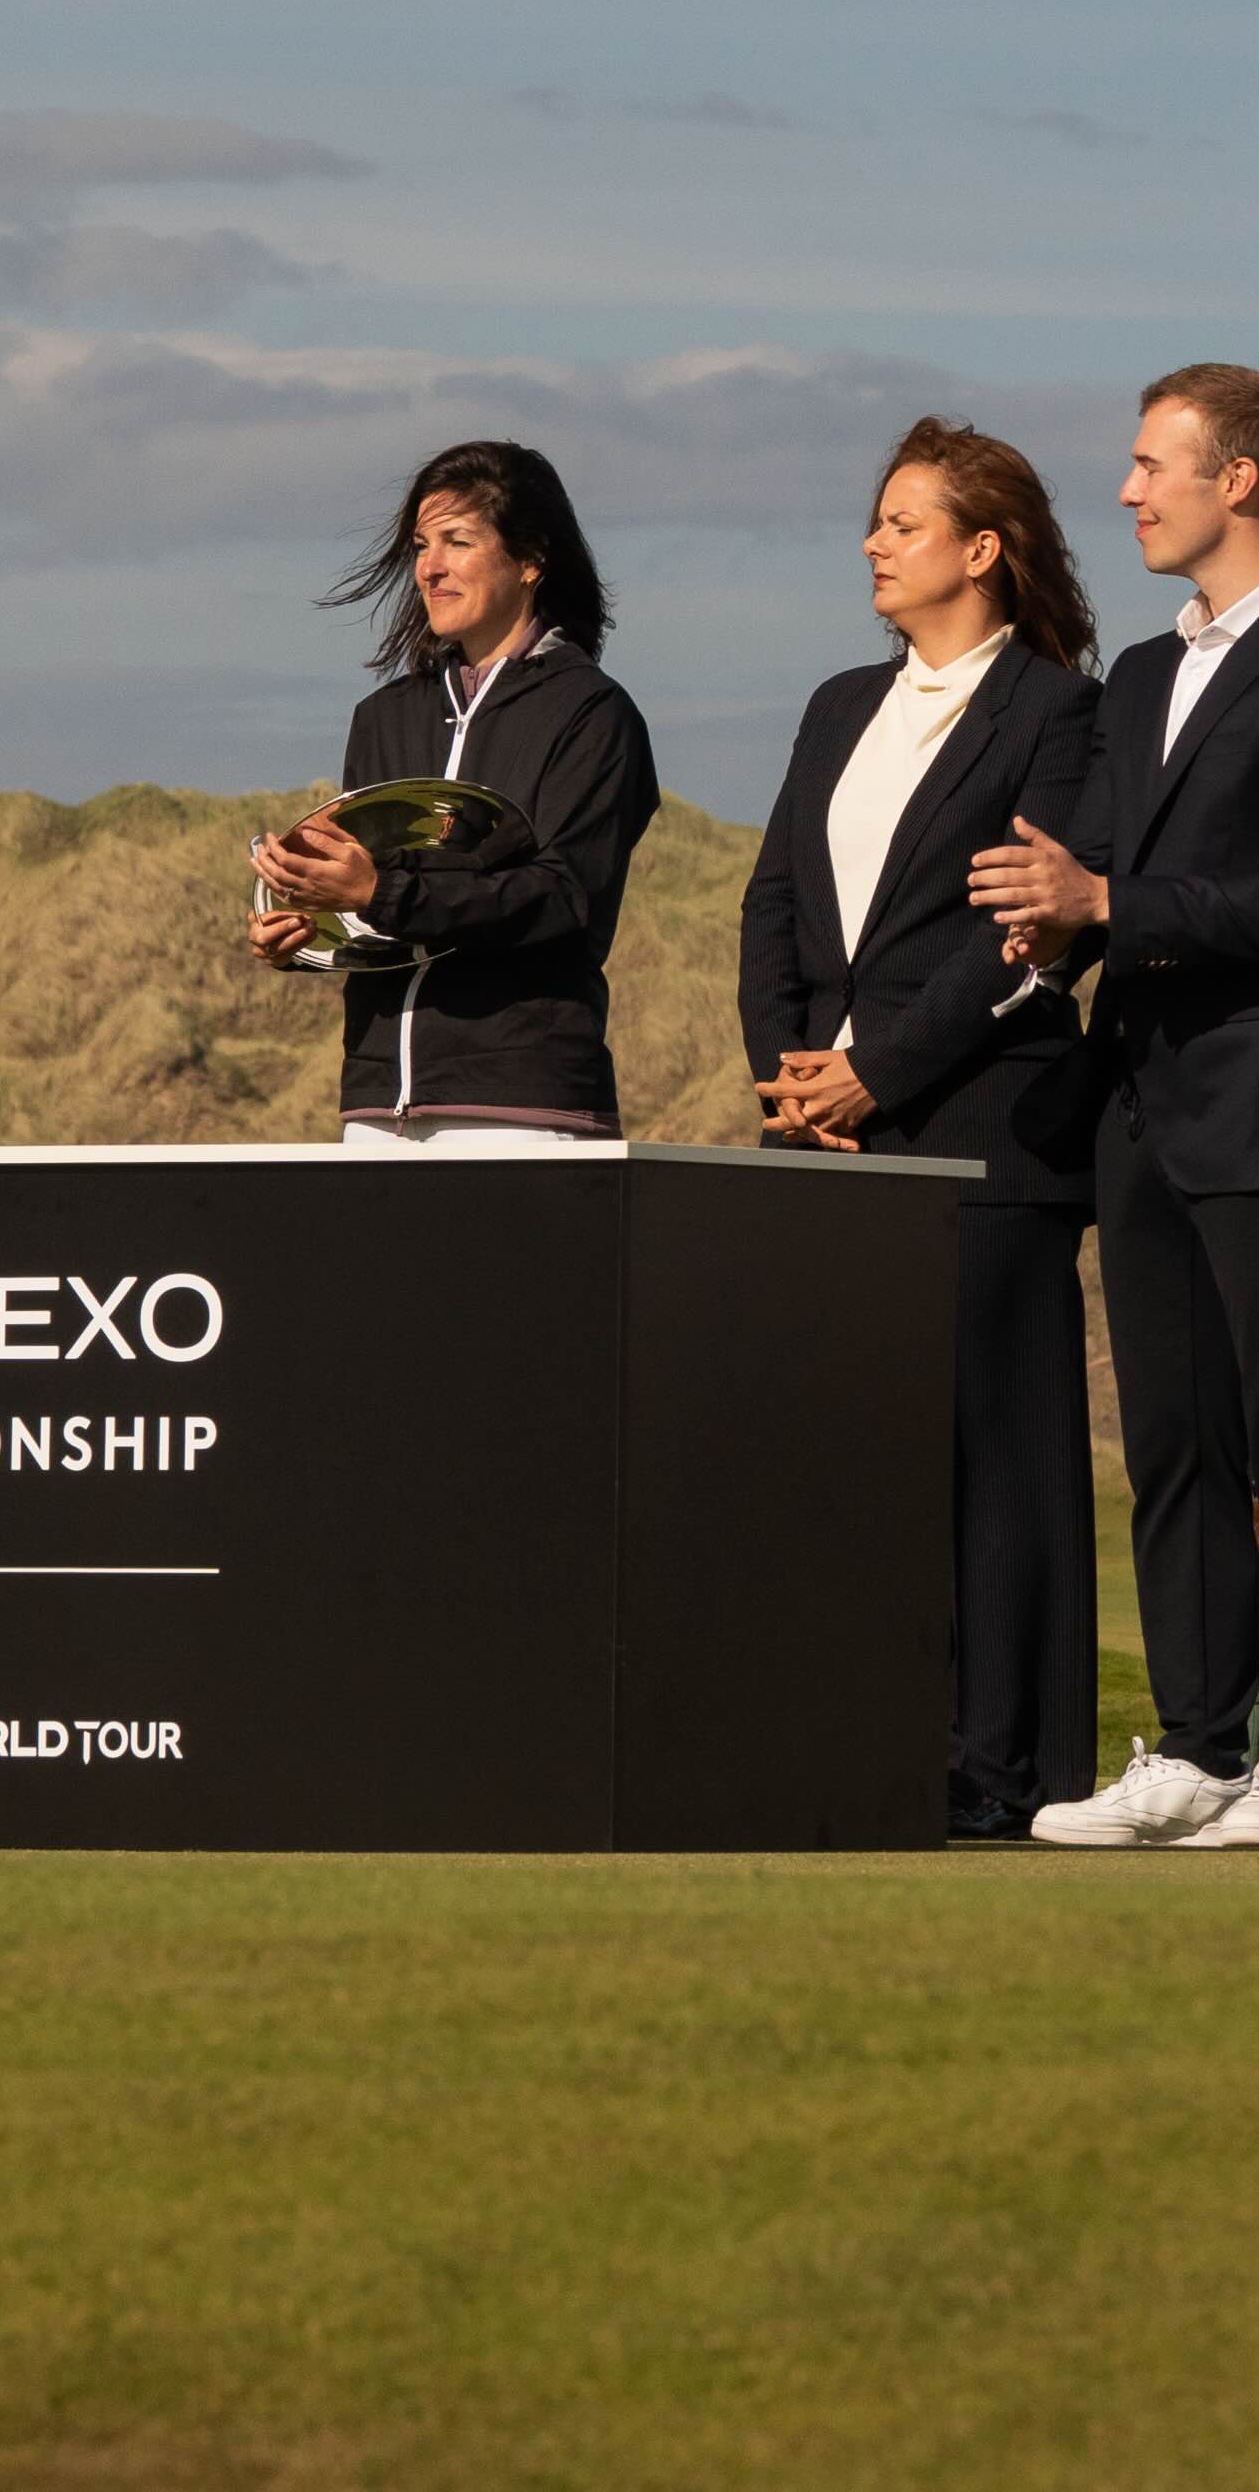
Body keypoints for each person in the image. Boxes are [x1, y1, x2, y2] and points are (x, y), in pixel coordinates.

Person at [993, 364, 1259, 1853]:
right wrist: (1048, 927)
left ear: (1238, 479)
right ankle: (1192, 1747)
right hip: (1142, 1104)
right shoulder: (1138, 676)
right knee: (1175, 1445)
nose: (1126, 491)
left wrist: (1106, 901)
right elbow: (1096, 871)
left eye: (1150, 464)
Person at [732, 420, 1109, 1838]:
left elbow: (1026, 933)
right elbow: (774, 902)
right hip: (824, 1141)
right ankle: (864, 1742)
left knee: (998, 1469)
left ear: (983, 548)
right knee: (853, 1456)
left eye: (903, 523)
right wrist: (794, 1077)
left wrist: (876, 1071)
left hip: (984, 1135)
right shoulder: (840, 703)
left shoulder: (1061, 713)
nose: (874, 545)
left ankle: (1003, 1768)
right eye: (876, 522)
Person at [248, 440, 654, 1143]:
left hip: (521, 1106)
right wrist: (304, 927)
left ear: (531, 559)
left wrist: (378, 891)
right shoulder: (383, 716)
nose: (429, 568)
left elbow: (563, 898)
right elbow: (383, 911)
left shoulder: (592, 713)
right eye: (421, 546)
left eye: (457, 542)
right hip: (376, 1109)